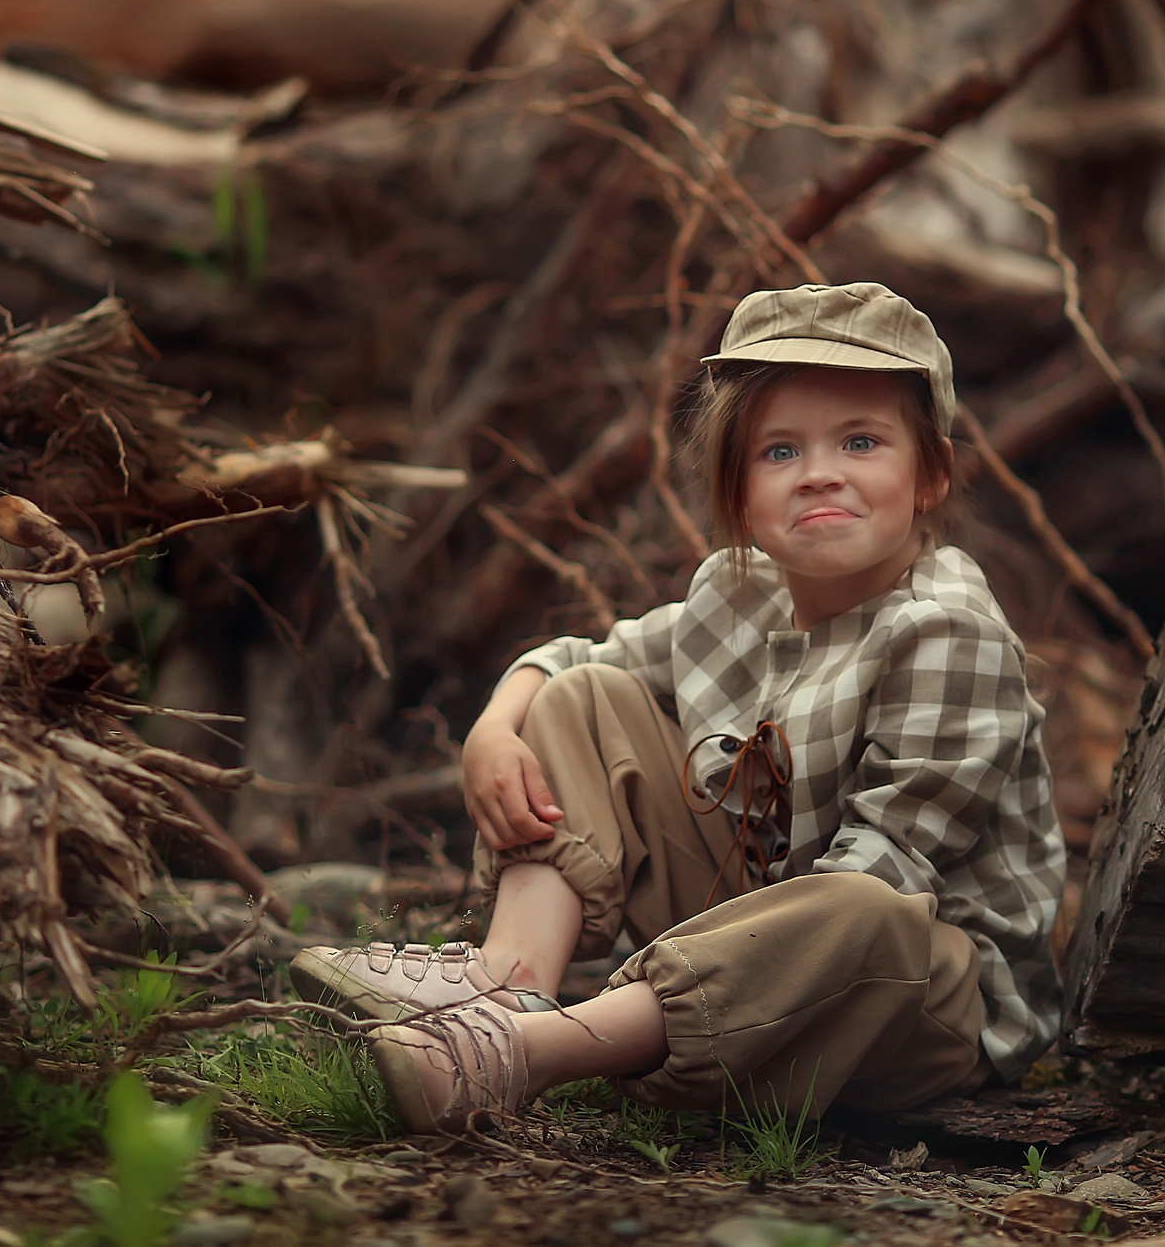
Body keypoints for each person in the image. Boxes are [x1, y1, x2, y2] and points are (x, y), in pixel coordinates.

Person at [292, 282, 1067, 1131]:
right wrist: (492, 724)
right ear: (738, 494)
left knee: (865, 907)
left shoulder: (948, 630)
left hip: (918, 997)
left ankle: (527, 1052)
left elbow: (887, 870)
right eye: (779, 451)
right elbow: (582, 660)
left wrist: (737, 950)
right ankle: (508, 979)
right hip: (752, 951)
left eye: (861, 439)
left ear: (930, 476)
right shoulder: (739, 596)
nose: (819, 473)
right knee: (589, 699)